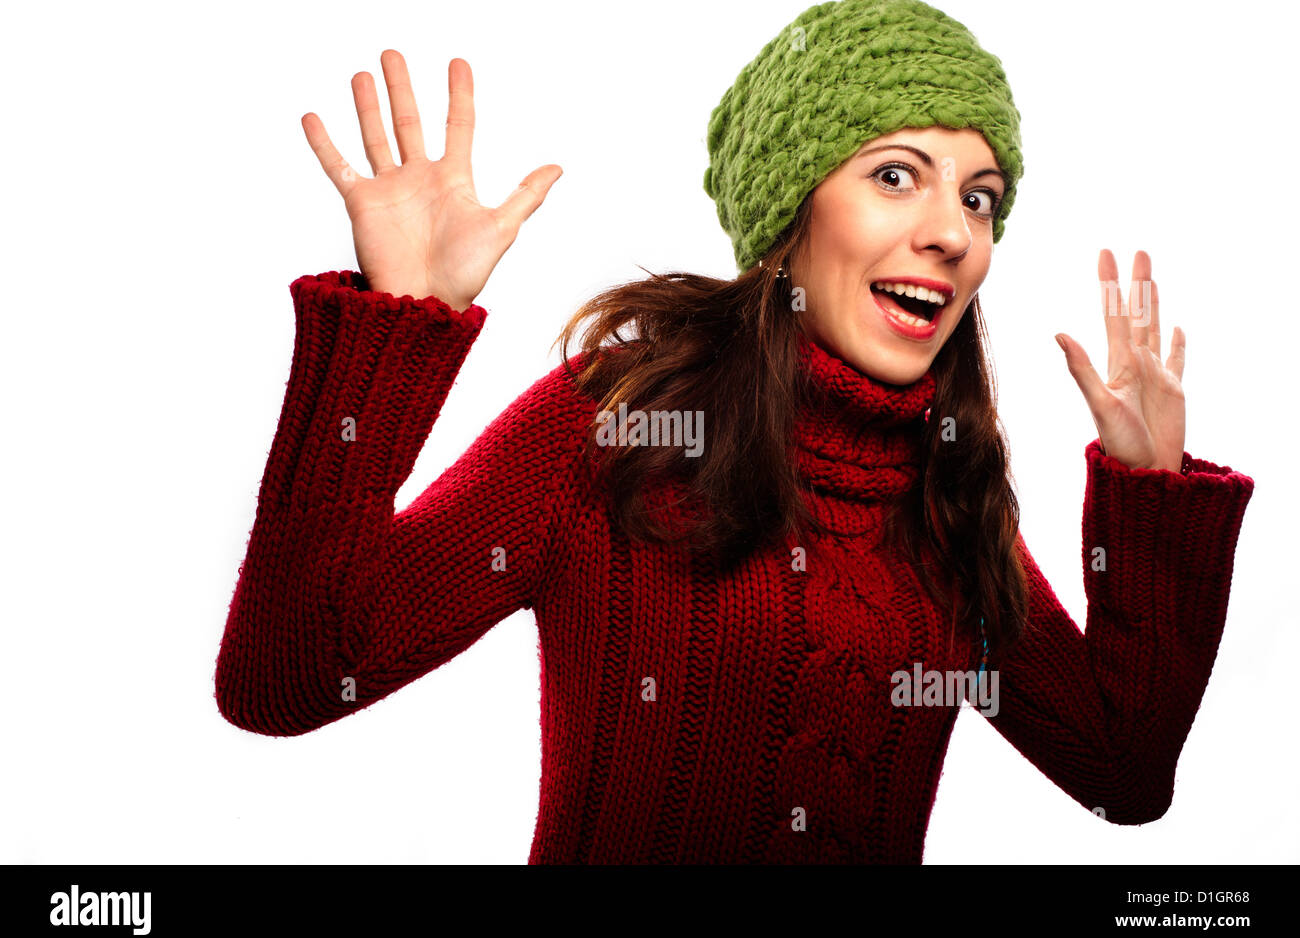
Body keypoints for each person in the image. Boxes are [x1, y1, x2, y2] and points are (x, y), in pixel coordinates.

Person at [215, 0, 1256, 864]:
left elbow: (1122, 777)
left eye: (980, 199)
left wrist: (1147, 490)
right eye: (895, 175)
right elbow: (284, 676)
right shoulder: (620, 426)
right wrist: (396, 324)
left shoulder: (945, 495)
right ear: (790, 211)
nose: (952, 232)